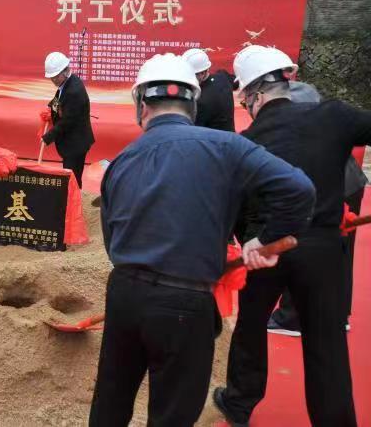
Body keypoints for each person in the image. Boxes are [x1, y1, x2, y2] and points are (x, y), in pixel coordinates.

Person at [90, 53, 315, 426]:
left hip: (125, 294)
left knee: (110, 401)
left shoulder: (123, 160)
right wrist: (265, 239)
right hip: (185, 302)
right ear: (193, 104)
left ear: (141, 106)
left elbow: (113, 238)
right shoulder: (228, 147)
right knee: (173, 413)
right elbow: (299, 189)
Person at [214, 45, 371, 427]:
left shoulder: (247, 140)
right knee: (326, 341)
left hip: (265, 250)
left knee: (251, 326)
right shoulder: (333, 116)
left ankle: (239, 403)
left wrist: (246, 242)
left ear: (253, 96)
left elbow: (236, 207)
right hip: (322, 249)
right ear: (287, 82)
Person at [267, 80, 367, 336]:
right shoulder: (310, 101)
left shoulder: (292, 111)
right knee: (340, 251)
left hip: (327, 182)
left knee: (303, 244)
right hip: (348, 181)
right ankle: (337, 314)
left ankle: (293, 317)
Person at [41, 51, 95, 187]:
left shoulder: (74, 91)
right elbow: (58, 98)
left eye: (55, 77)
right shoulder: (67, 83)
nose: (53, 80)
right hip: (71, 141)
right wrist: (50, 108)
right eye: (51, 77)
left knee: (72, 178)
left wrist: (48, 137)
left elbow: (67, 121)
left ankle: (74, 198)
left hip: (76, 143)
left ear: (65, 71)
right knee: (70, 177)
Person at [182, 48, 235, 132]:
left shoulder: (200, 101)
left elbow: (193, 130)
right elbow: (236, 84)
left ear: (202, 73)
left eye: (191, 75)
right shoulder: (223, 76)